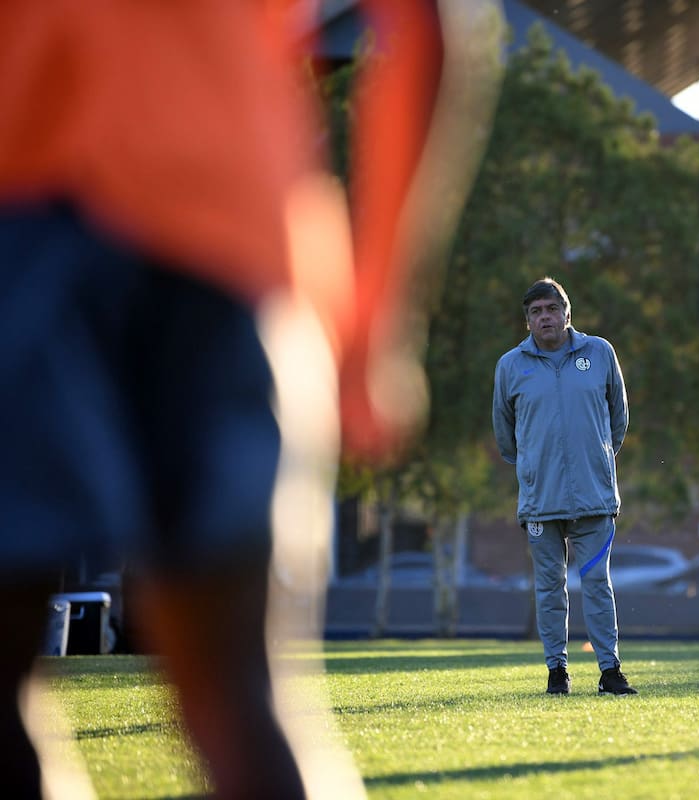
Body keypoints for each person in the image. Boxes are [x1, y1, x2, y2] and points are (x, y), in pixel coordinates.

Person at [0, 2, 496, 797]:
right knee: (236, 690)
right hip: (229, 231)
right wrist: (376, 318)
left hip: (31, 220)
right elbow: (426, 25)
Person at [492, 278, 638, 696]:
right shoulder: (510, 366)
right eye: (536, 312)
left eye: (551, 310)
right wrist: (535, 467)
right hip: (541, 501)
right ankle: (557, 671)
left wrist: (597, 458)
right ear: (527, 322)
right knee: (549, 588)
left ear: (566, 313)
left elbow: (619, 419)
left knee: (597, 585)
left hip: (594, 498)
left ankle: (610, 671)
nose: (544, 318)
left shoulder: (600, 353)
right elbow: (505, 435)